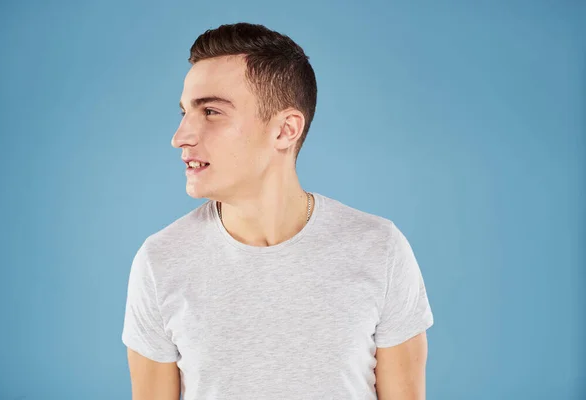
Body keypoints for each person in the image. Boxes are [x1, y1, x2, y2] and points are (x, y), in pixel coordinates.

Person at [121, 22, 434, 400]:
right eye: (185, 111)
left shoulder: (380, 249)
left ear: (286, 130)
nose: (180, 136)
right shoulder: (160, 262)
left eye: (211, 112)